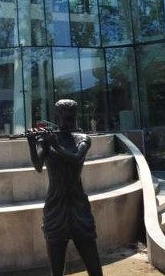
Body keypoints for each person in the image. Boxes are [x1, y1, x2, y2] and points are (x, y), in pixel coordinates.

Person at [26, 99, 103, 276]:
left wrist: (56, 145)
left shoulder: (83, 139)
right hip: (55, 203)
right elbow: (38, 166)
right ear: (57, 117)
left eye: (71, 118)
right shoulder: (47, 140)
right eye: (64, 118)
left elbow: (76, 158)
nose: (68, 122)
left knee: (92, 260)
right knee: (56, 265)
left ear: (75, 116)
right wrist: (31, 142)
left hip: (77, 203)